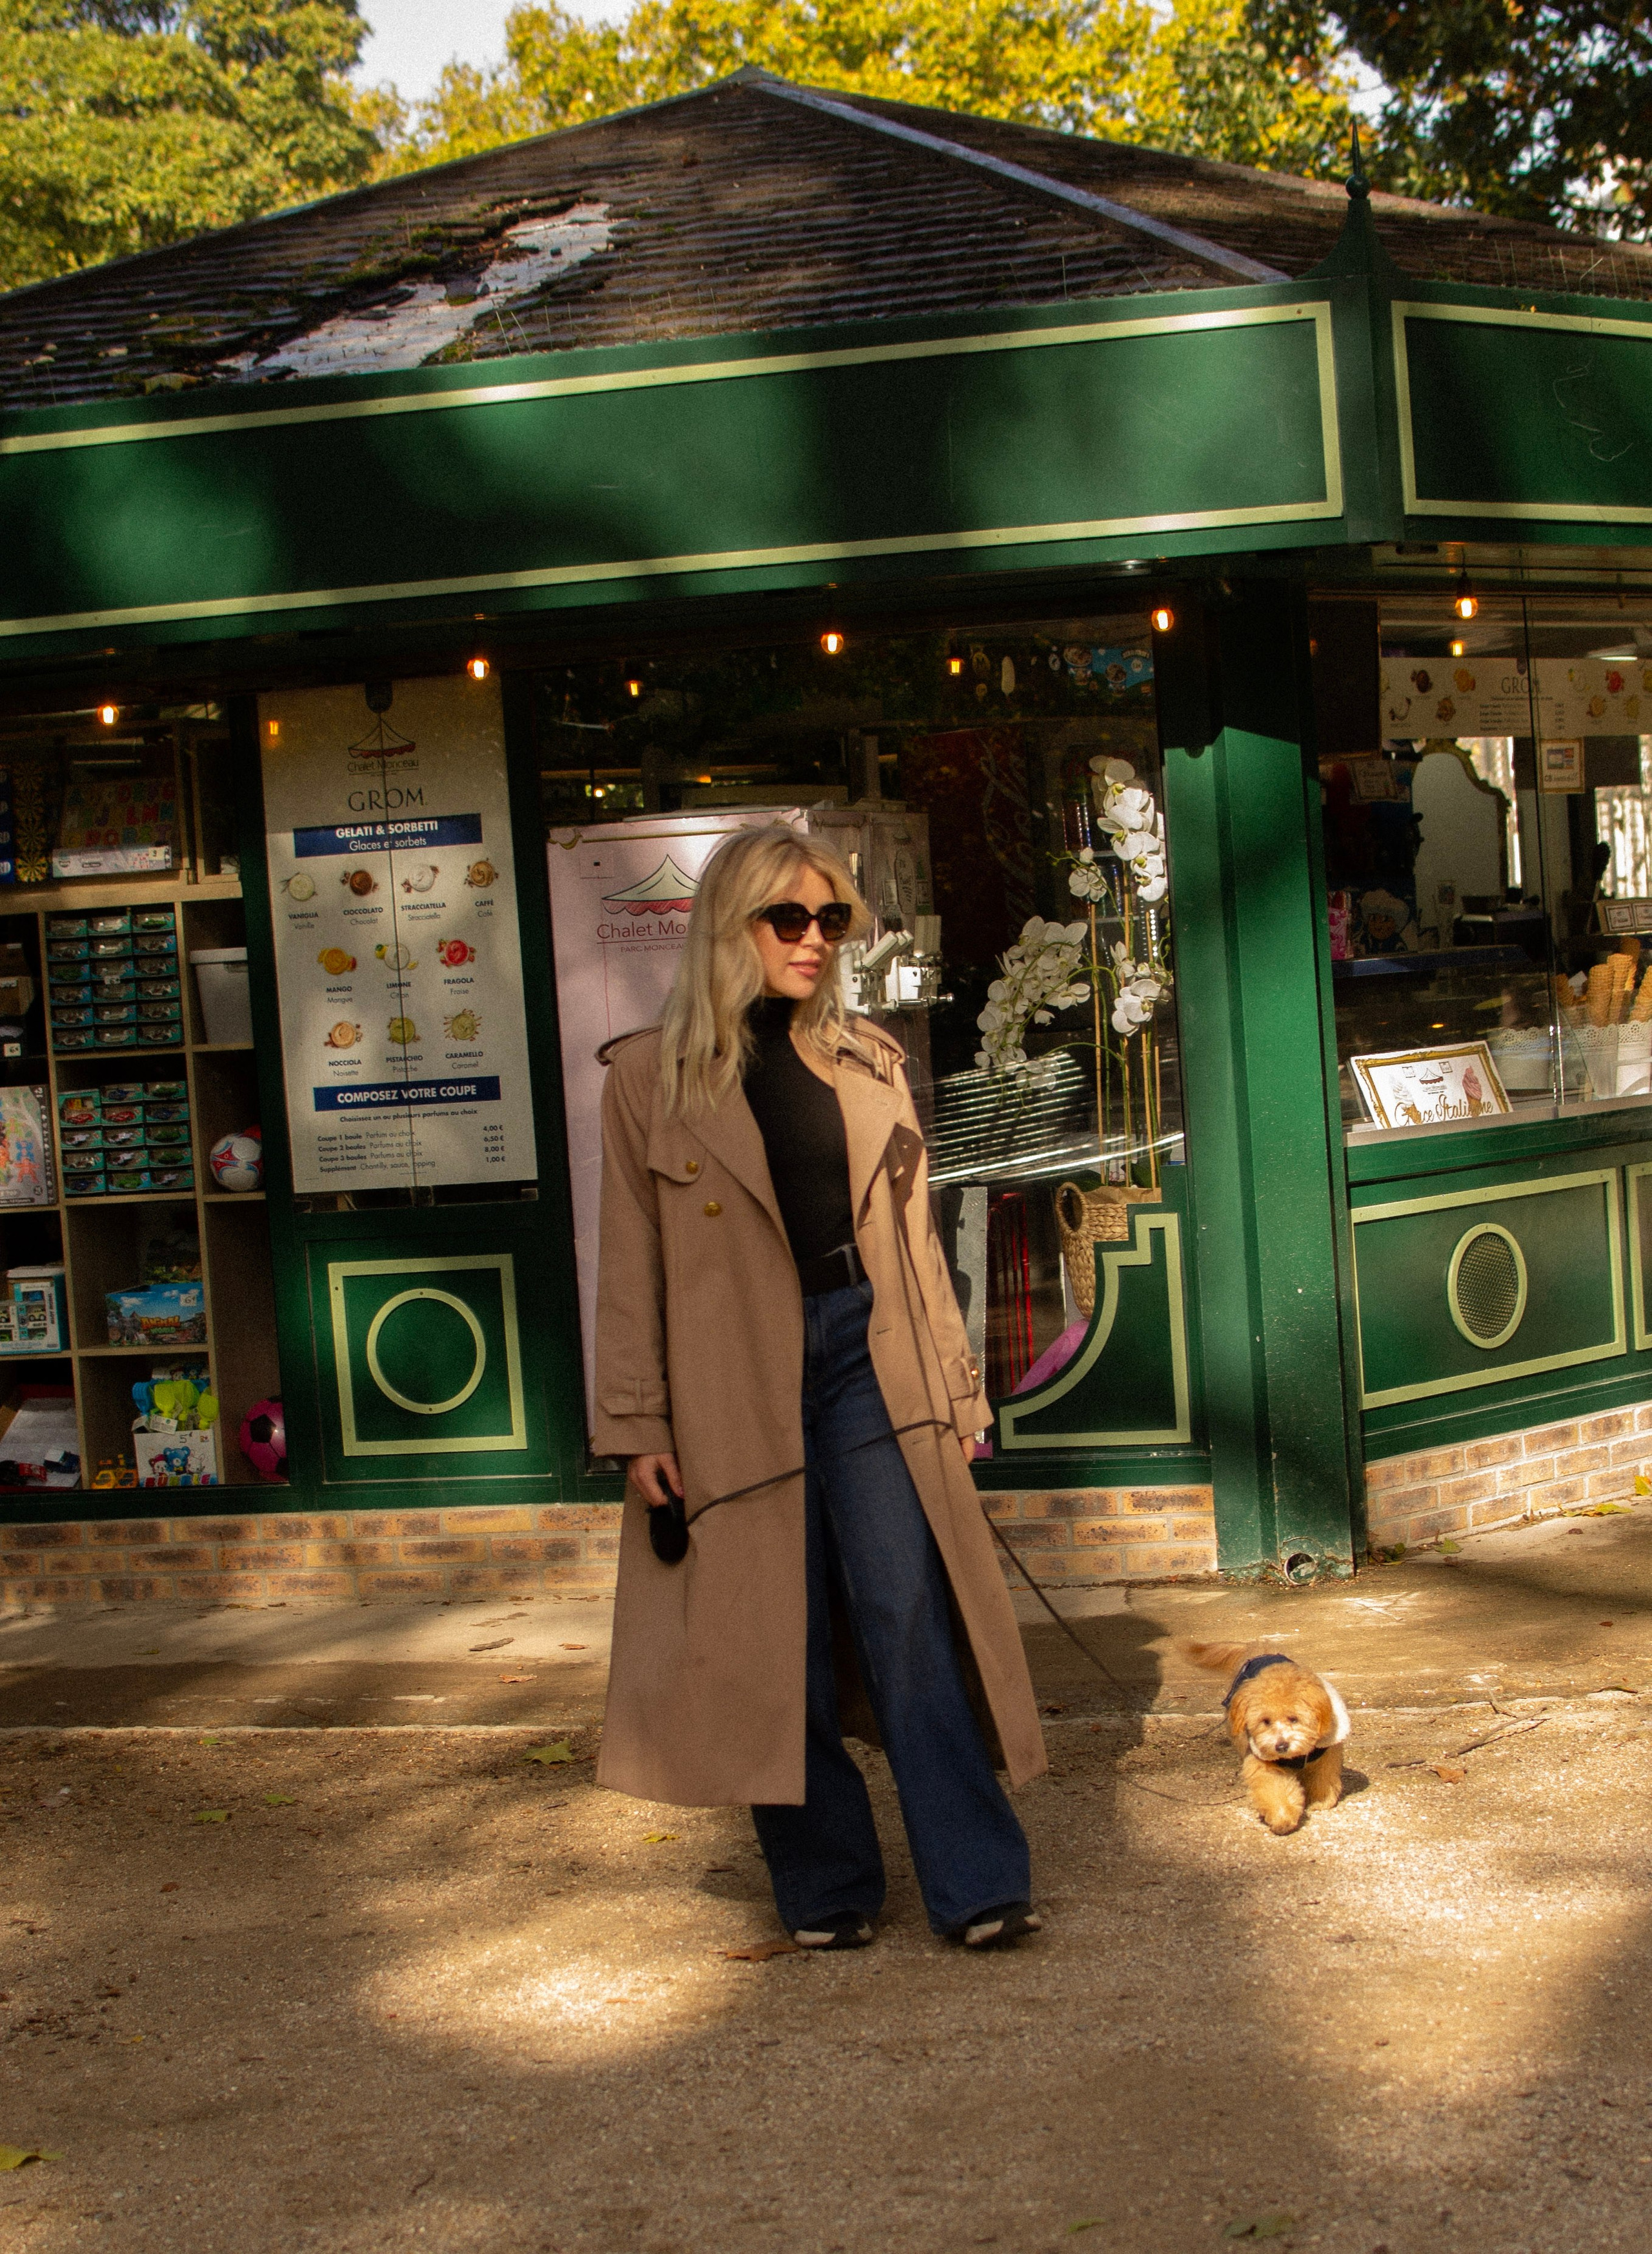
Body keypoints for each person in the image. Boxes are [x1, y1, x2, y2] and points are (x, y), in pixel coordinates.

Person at [593, 822, 1047, 1950]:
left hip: (863, 1348)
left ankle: (978, 1880)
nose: (813, 939)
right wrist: (639, 1420)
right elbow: (629, 1262)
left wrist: (958, 1383)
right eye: (788, 917)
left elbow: (916, 1252)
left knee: (906, 1608)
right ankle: (828, 1885)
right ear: (729, 925)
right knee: (769, 1633)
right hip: (726, 1376)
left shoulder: (867, 1059)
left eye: (831, 918)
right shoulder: (649, 1078)